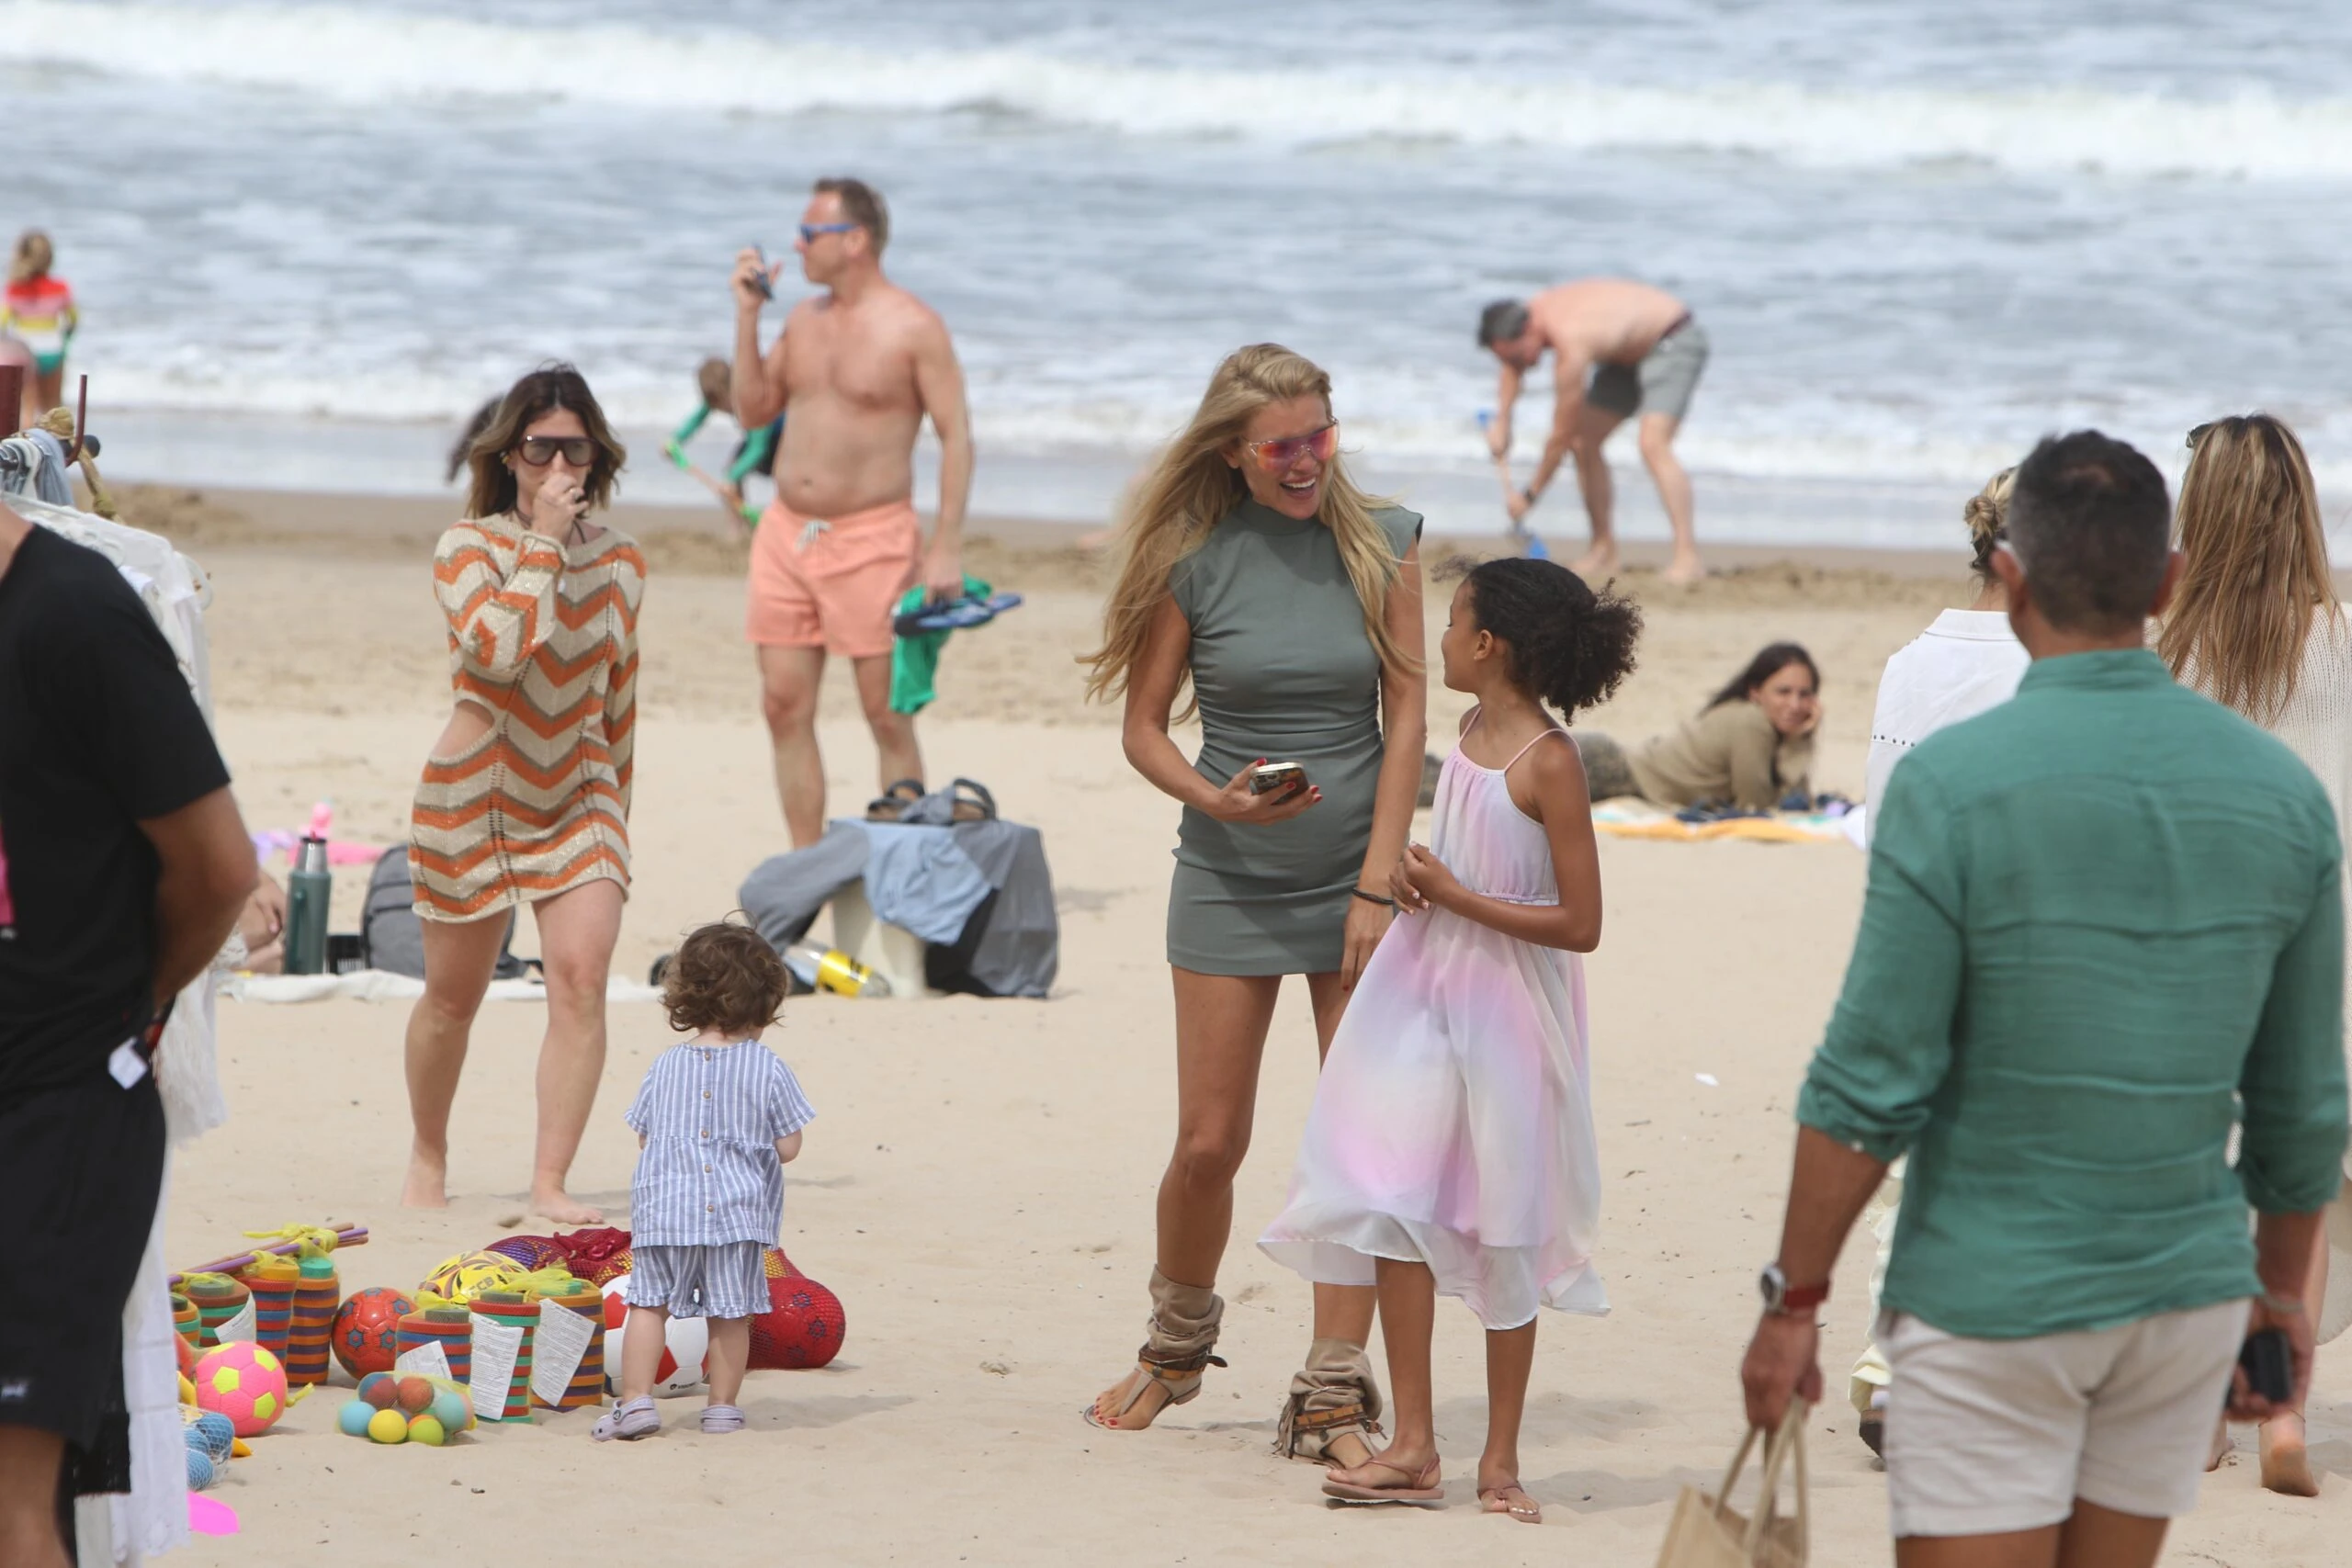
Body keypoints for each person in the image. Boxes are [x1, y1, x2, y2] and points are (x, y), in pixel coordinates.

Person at [1741, 431, 2347, 1568]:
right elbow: (2304, 1105)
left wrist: (1793, 1303)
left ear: (2010, 576)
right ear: (2165, 582)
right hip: (2176, 1299)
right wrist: (2273, 1306)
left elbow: (1867, 1078)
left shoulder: (1952, 786)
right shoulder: (2279, 796)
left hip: (1990, 1286)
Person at [1078, 344, 1427, 1469]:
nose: (1307, 461)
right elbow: (1142, 727)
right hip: (1226, 874)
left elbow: (1407, 717)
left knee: (1358, 1147)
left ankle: (1331, 1389)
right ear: (1233, 451)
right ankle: (1175, 1349)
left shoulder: (1387, 541)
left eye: (1320, 435)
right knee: (1208, 1142)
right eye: (1283, 445)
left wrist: (1379, 882)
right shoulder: (1193, 557)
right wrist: (1213, 800)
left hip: (1354, 888)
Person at [1260, 556, 1640, 1519]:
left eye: (1453, 621)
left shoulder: (1547, 761)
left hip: (1509, 1013)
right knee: (1393, 1202)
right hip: (1424, 992)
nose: (1438, 638)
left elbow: (1582, 922)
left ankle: (1499, 1462)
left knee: (1504, 1222)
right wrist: (1424, 888)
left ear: (1488, 645)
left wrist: (1462, 897)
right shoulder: (1467, 735)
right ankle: (1416, 1443)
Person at [0, 498, 256, 1568]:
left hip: (58, 1098)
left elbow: (220, 868)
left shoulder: (75, 612)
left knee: (13, 1503)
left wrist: (134, 1005)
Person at [401, 364, 647, 1224]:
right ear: (509, 454)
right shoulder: (464, 548)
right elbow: (495, 652)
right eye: (540, 447)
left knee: (581, 978)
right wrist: (541, 543)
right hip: (473, 792)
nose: (557, 466)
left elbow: (618, 700)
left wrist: (616, 817)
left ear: (596, 455)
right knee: (450, 1001)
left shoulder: (621, 563)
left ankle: (551, 1180)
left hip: (578, 796)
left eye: (572, 448)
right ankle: (428, 1155)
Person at [2158, 412, 2352, 1496]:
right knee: (2303, 1187)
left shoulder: (2162, 654)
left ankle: (2198, 1419)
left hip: (2193, 955)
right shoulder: (2345, 643)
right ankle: (2282, 1410)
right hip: (2325, 946)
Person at [1844, 465, 2030, 1455]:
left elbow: (1881, 814)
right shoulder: (2048, 662)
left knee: (1916, 1168)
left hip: (1907, 935)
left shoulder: (1909, 658)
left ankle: (1888, 1367)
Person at [731, 177, 975, 846]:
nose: (797, 244)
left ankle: (906, 861)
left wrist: (947, 543)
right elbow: (753, 411)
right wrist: (748, 316)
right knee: (783, 706)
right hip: (788, 531)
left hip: (873, 537)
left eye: (810, 234)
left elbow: (957, 433)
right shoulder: (802, 320)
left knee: (886, 712)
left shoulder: (913, 326)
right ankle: (805, 864)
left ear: (855, 240)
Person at [595, 920, 813, 1442]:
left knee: (648, 1304)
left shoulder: (665, 1065)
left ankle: (637, 1402)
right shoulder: (768, 1067)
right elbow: (788, 1148)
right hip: (737, 1213)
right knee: (730, 1314)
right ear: (764, 1003)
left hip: (665, 1210)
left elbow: (645, 1138)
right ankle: (721, 1409)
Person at [1479, 279, 1707, 584]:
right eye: (1507, 360)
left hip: (1672, 339)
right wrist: (1503, 422)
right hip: (1623, 357)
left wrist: (1529, 496)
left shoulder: (1571, 340)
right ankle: (1603, 551)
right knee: (1583, 441)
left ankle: (1687, 558)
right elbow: (1512, 368)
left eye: (1518, 357)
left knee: (1652, 443)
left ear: (1530, 331)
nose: (1520, 366)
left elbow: (1559, 435)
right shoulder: (1530, 314)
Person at [1572, 643, 1819, 810]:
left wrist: (1799, 739)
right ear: (1755, 692)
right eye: (1783, 692)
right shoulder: (1752, 723)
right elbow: (1756, 804)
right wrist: (1798, 744)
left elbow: (1791, 798)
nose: (1795, 705)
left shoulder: (1757, 722)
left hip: (1616, 767)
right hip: (1610, 770)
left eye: (1805, 694)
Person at [665, 356, 783, 528]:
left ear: (730, 388)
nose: (723, 409)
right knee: (732, 469)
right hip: (759, 438)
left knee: (780, 478)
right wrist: (675, 440)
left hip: (784, 438)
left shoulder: (750, 396)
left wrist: (731, 478)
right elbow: (697, 418)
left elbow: (758, 448)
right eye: (715, 405)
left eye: (722, 403)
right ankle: (739, 527)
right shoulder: (717, 396)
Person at [1, 231, 78, 431]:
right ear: (49, 258)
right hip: (53, 348)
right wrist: (67, 336)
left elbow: (3, 322)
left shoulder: (14, 288)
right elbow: (73, 319)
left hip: (26, 350)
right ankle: (54, 453)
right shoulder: (60, 287)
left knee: (28, 407)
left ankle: (28, 455)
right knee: (53, 407)